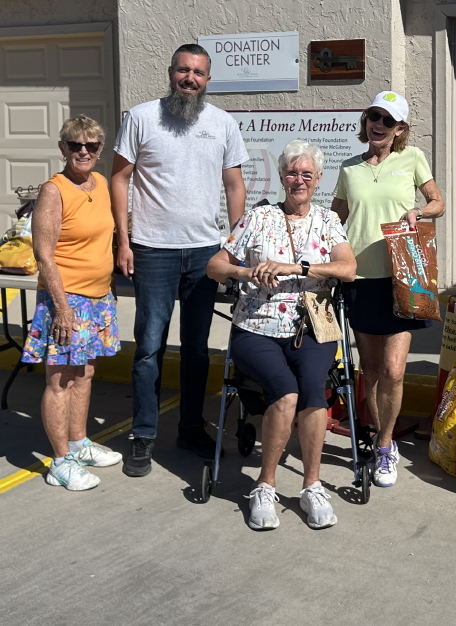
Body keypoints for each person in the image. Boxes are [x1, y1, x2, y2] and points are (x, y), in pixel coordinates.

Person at [111, 43, 249, 478]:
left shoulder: (222, 123)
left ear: (209, 80)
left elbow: (233, 185)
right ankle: (143, 435)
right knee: (148, 347)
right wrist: (124, 239)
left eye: (199, 73)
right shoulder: (140, 117)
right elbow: (118, 177)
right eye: (183, 71)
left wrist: (237, 243)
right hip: (152, 249)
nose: (190, 79)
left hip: (206, 252)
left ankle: (190, 427)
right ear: (170, 72)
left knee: (196, 348)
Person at [207, 140, 356, 530]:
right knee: (285, 392)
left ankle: (312, 486)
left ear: (319, 179)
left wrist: (298, 266)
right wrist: (245, 272)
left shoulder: (327, 220)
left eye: (307, 174)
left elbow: (348, 269)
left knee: (311, 390)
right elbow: (214, 266)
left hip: (313, 326)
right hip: (257, 326)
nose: (299, 180)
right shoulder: (257, 218)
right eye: (292, 173)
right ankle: (264, 486)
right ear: (282, 177)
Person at [331, 91, 445, 488]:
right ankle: (381, 437)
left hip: (403, 277)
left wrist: (419, 211)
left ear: (400, 130)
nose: (378, 124)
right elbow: (334, 219)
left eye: (388, 120)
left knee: (395, 371)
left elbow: (438, 202)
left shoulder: (411, 160)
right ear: (366, 121)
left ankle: (384, 446)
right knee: (373, 370)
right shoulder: (349, 168)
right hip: (360, 280)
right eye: (373, 116)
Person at [23, 115, 122, 491]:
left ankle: (79, 443)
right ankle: (60, 461)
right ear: (63, 148)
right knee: (60, 380)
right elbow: (44, 254)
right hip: (67, 300)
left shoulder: (98, 183)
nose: (84, 151)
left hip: (98, 298)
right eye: (75, 145)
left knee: (84, 375)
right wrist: (63, 310)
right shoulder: (54, 190)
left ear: (99, 149)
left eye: (92, 146)